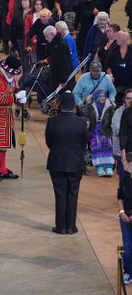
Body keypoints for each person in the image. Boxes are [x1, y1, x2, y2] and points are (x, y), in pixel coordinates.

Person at [45, 91, 88, 235]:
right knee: (73, 194)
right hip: (75, 162)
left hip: (56, 162)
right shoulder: (81, 122)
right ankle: (71, 226)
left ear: (59, 104)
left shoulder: (52, 121)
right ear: (73, 106)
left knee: (60, 194)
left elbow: (49, 142)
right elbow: (84, 143)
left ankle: (61, 227)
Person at [83, 89, 116, 177]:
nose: (102, 98)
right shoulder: (89, 106)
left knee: (109, 145)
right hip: (94, 129)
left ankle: (109, 166)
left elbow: (113, 119)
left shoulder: (110, 107)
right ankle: (99, 167)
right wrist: (87, 121)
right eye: (100, 96)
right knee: (96, 146)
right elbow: (86, 117)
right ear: (96, 97)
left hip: (106, 129)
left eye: (103, 96)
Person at [117, 153, 132, 284]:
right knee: (127, 247)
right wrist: (122, 212)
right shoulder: (124, 180)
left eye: (125, 162)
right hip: (125, 217)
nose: (123, 164)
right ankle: (128, 271)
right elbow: (119, 196)